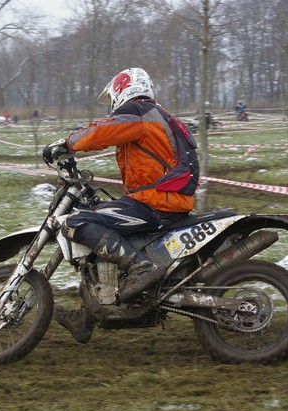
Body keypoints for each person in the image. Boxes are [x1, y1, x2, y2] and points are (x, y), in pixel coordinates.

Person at [42, 67, 196, 343]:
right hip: (164, 199)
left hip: (156, 202)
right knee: (100, 219)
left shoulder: (139, 113)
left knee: (78, 221)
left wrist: (68, 143)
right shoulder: (158, 115)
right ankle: (87, 316)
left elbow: (103, 132)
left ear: (123, 90)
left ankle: (141, 268)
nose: (113, 103)